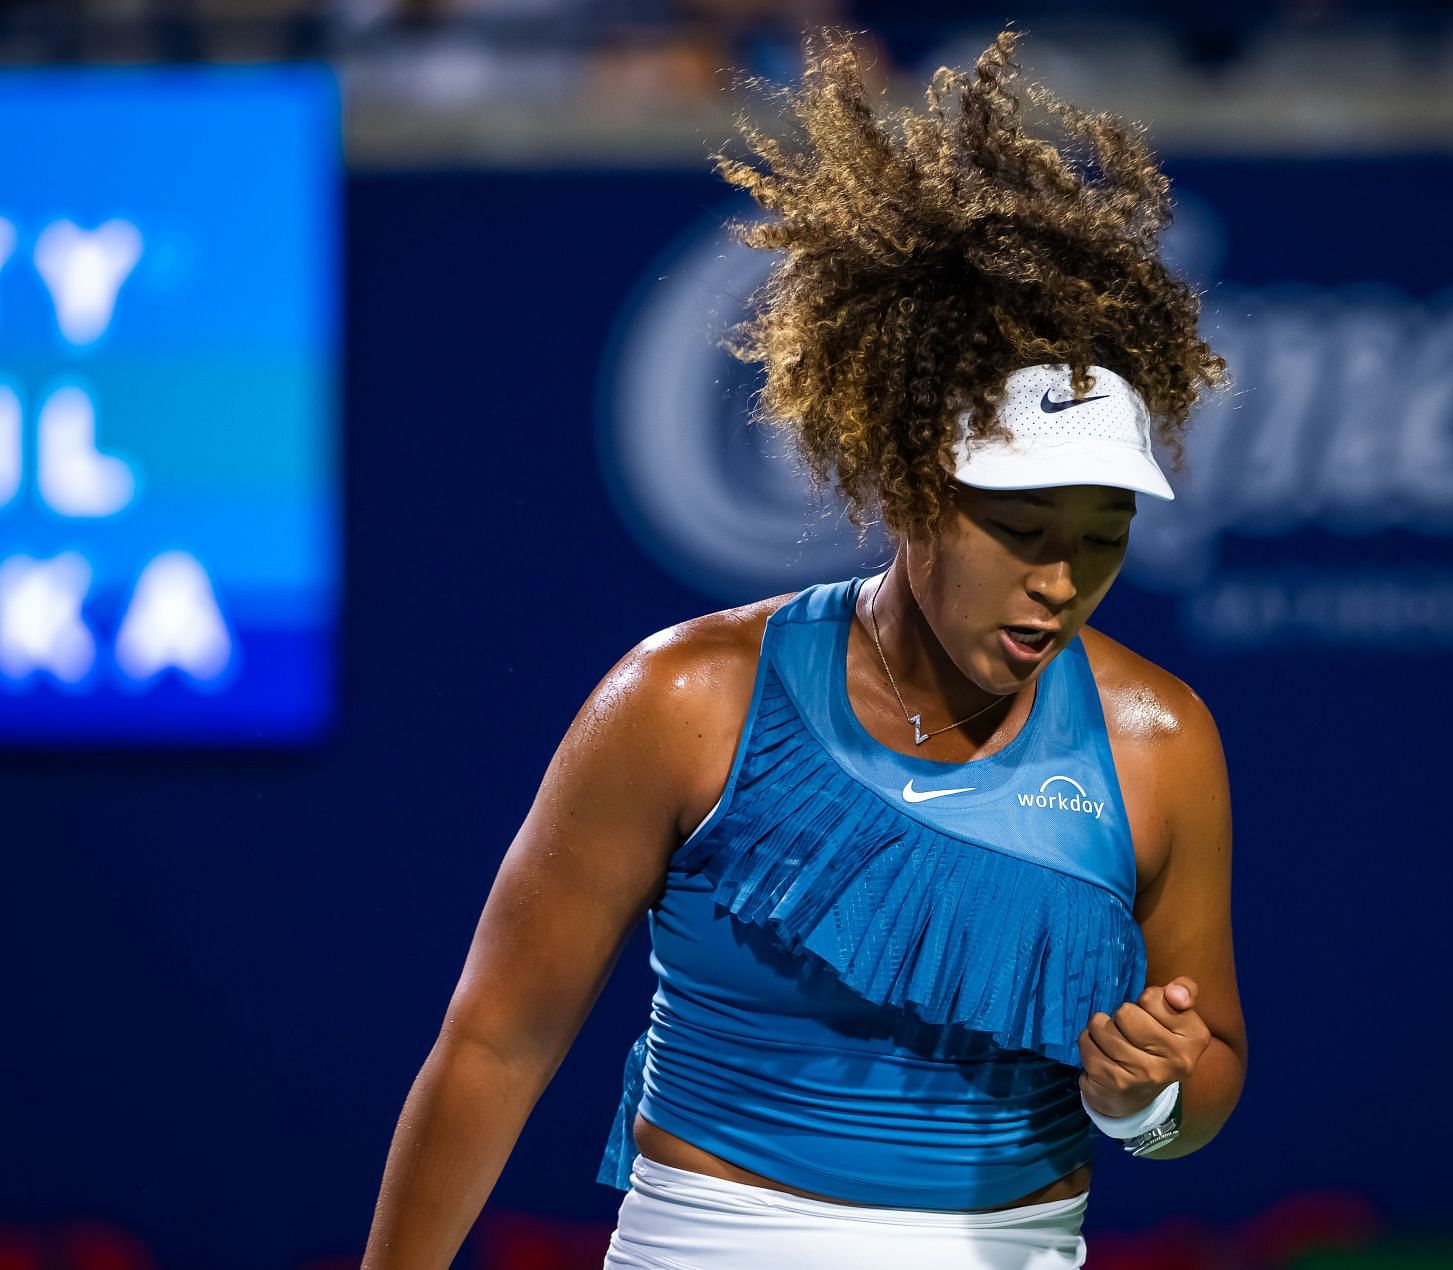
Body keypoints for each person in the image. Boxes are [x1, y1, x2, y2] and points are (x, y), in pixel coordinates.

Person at [361, 28, 1244, 1270]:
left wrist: (1148, 1094)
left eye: (1102, 537)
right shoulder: (681, 700)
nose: (1060, 580)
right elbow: (496, 1042)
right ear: (904, 480)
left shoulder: (1162, 745)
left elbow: (1203, 1084)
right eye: (1020, 527)